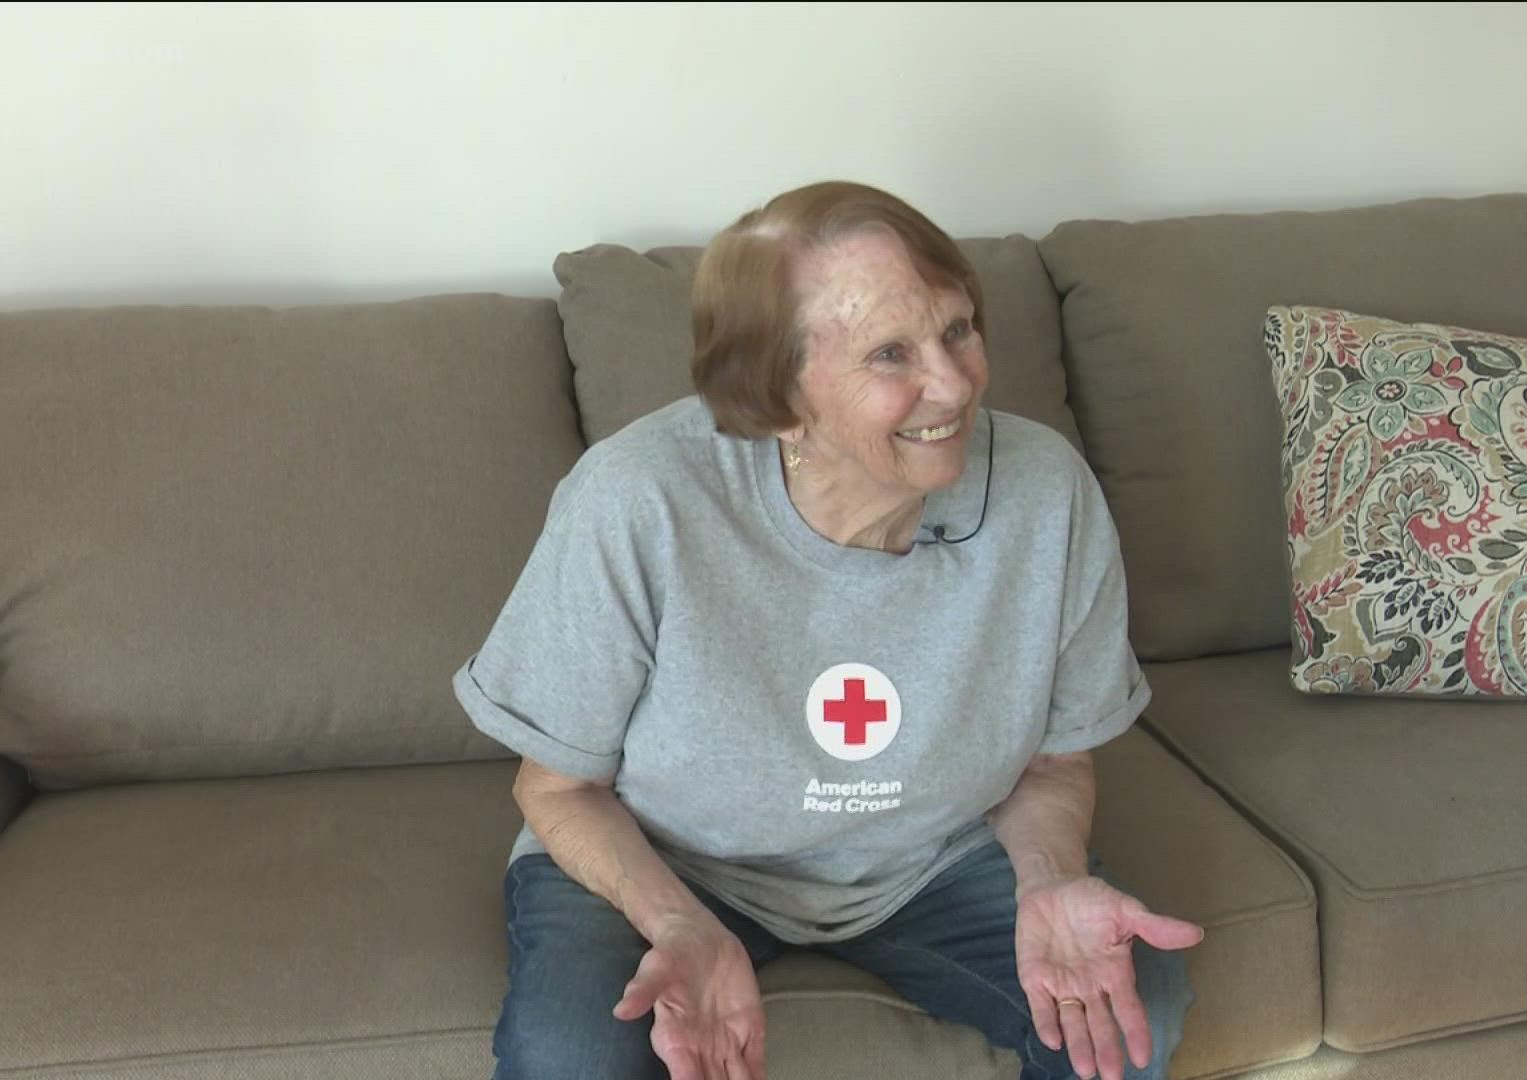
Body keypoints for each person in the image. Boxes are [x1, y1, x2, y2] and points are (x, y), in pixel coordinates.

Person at [452, 180, 1202, 1080]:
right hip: (671, 860)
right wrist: (679, 922)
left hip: (933, 858)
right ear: (778, 400)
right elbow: (558, 791)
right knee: (567, 1060)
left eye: (959, 328)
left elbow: (1052, 765)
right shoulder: (637, 500)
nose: (956, 382)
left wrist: (1047, 876)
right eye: (892, 353)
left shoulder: (1048, 492)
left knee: (1126, 1022)